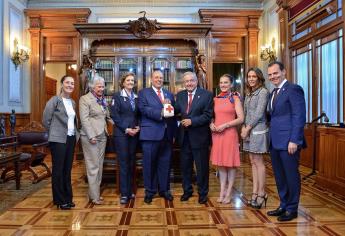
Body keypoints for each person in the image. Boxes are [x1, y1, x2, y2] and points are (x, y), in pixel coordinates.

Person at [266, 61, 306, 221]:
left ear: (284, 72)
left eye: (275, 73)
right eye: (270, 74)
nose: (272, 77)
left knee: (291, 175)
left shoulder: (293, 89)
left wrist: (295, 140)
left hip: (289, 142)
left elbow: (299, 116)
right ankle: (283, 205)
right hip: (275, 141)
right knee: (280, 176)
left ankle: (292, 208)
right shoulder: (273, 92)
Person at [138, 70, 177, 204]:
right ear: (151, 79)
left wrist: (173, 133)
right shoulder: (144, 93)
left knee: (165, 164)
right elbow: (143, 109)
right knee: (149, 164)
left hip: (166, 136)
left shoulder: (169, 94)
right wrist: (161, 111)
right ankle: (150, 191)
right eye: (156, 77)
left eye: (161, 78)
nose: (159, 79)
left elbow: (173, 114)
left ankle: (164, 190)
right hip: (150, 135)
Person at [175, 71, 213, 204]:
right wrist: (167, 104)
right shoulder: (179, 95)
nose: (189, 83)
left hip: (200, 137)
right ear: (184, 83)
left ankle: (203, 193)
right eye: (186, 81)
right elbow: (175, 111)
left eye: (191, 80)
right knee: (185, 167)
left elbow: (208, 115)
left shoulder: (206, 95)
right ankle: (187, 190)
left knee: (201, 167)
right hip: (184, 137)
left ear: (196, 81)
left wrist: (192, 121)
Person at [43, 75, 79, 210]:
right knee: (58, 170)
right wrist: (54, 132)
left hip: (70, 138)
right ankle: (59, 200)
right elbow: (46, 119)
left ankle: (68, 198)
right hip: (58, 139)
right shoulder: (54, 100)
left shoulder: (73, 102)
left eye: (72, 83)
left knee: (67, 169)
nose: (70, 85)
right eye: (67, 83)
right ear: (62, 84)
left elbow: (73, 121)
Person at [210, 74, 244, 204]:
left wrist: (226, 125)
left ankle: (229, 193)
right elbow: (212, 116)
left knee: (230, 164)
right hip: (217, 134)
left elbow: (241, 118)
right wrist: (211, 124)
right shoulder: (215, 99)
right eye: (221, 82)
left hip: (229, 134)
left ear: (231, 84)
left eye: (226, 82)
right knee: (221, 165)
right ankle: (222, 191)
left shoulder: (235, 98)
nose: (223, 85)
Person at [79, 75, 113, 205]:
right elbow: (84, 119)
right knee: (93, 166)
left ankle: (95, 193)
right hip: (91, 137)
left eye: (103, 86)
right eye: (99, 86)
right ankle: (94, 197)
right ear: (92, 86)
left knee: (99, 165)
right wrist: (91, 135)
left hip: (102, 135)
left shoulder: (102, 99)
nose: (101, 88)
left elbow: (108, 117)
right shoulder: (85, 99)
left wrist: (123, 126)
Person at [241, 68, 269, 208]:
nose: (251, 79)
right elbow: (245, 113)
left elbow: (259, 113)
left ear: (259, 78)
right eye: (249, 76)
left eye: (254, 76)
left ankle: (262, 193)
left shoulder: (263, 92)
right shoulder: (249, 93)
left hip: (257, 130)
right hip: (248, 130)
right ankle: (254, 192)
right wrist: (243, 127)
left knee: (258, 161)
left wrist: (247, 128)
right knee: (252, 161)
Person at [110, 72, 140, 205]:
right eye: (128, 80)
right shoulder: (117, 96)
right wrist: (126, 129)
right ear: (123, 82)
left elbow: (139, 115)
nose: (130, 82)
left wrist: (138, 127)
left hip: (134, 134)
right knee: (123, 163)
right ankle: (124, 193)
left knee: (132, 162)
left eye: (132, 80)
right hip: (122, 134)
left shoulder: (136, 97)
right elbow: (114, 116)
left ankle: (130, 190)